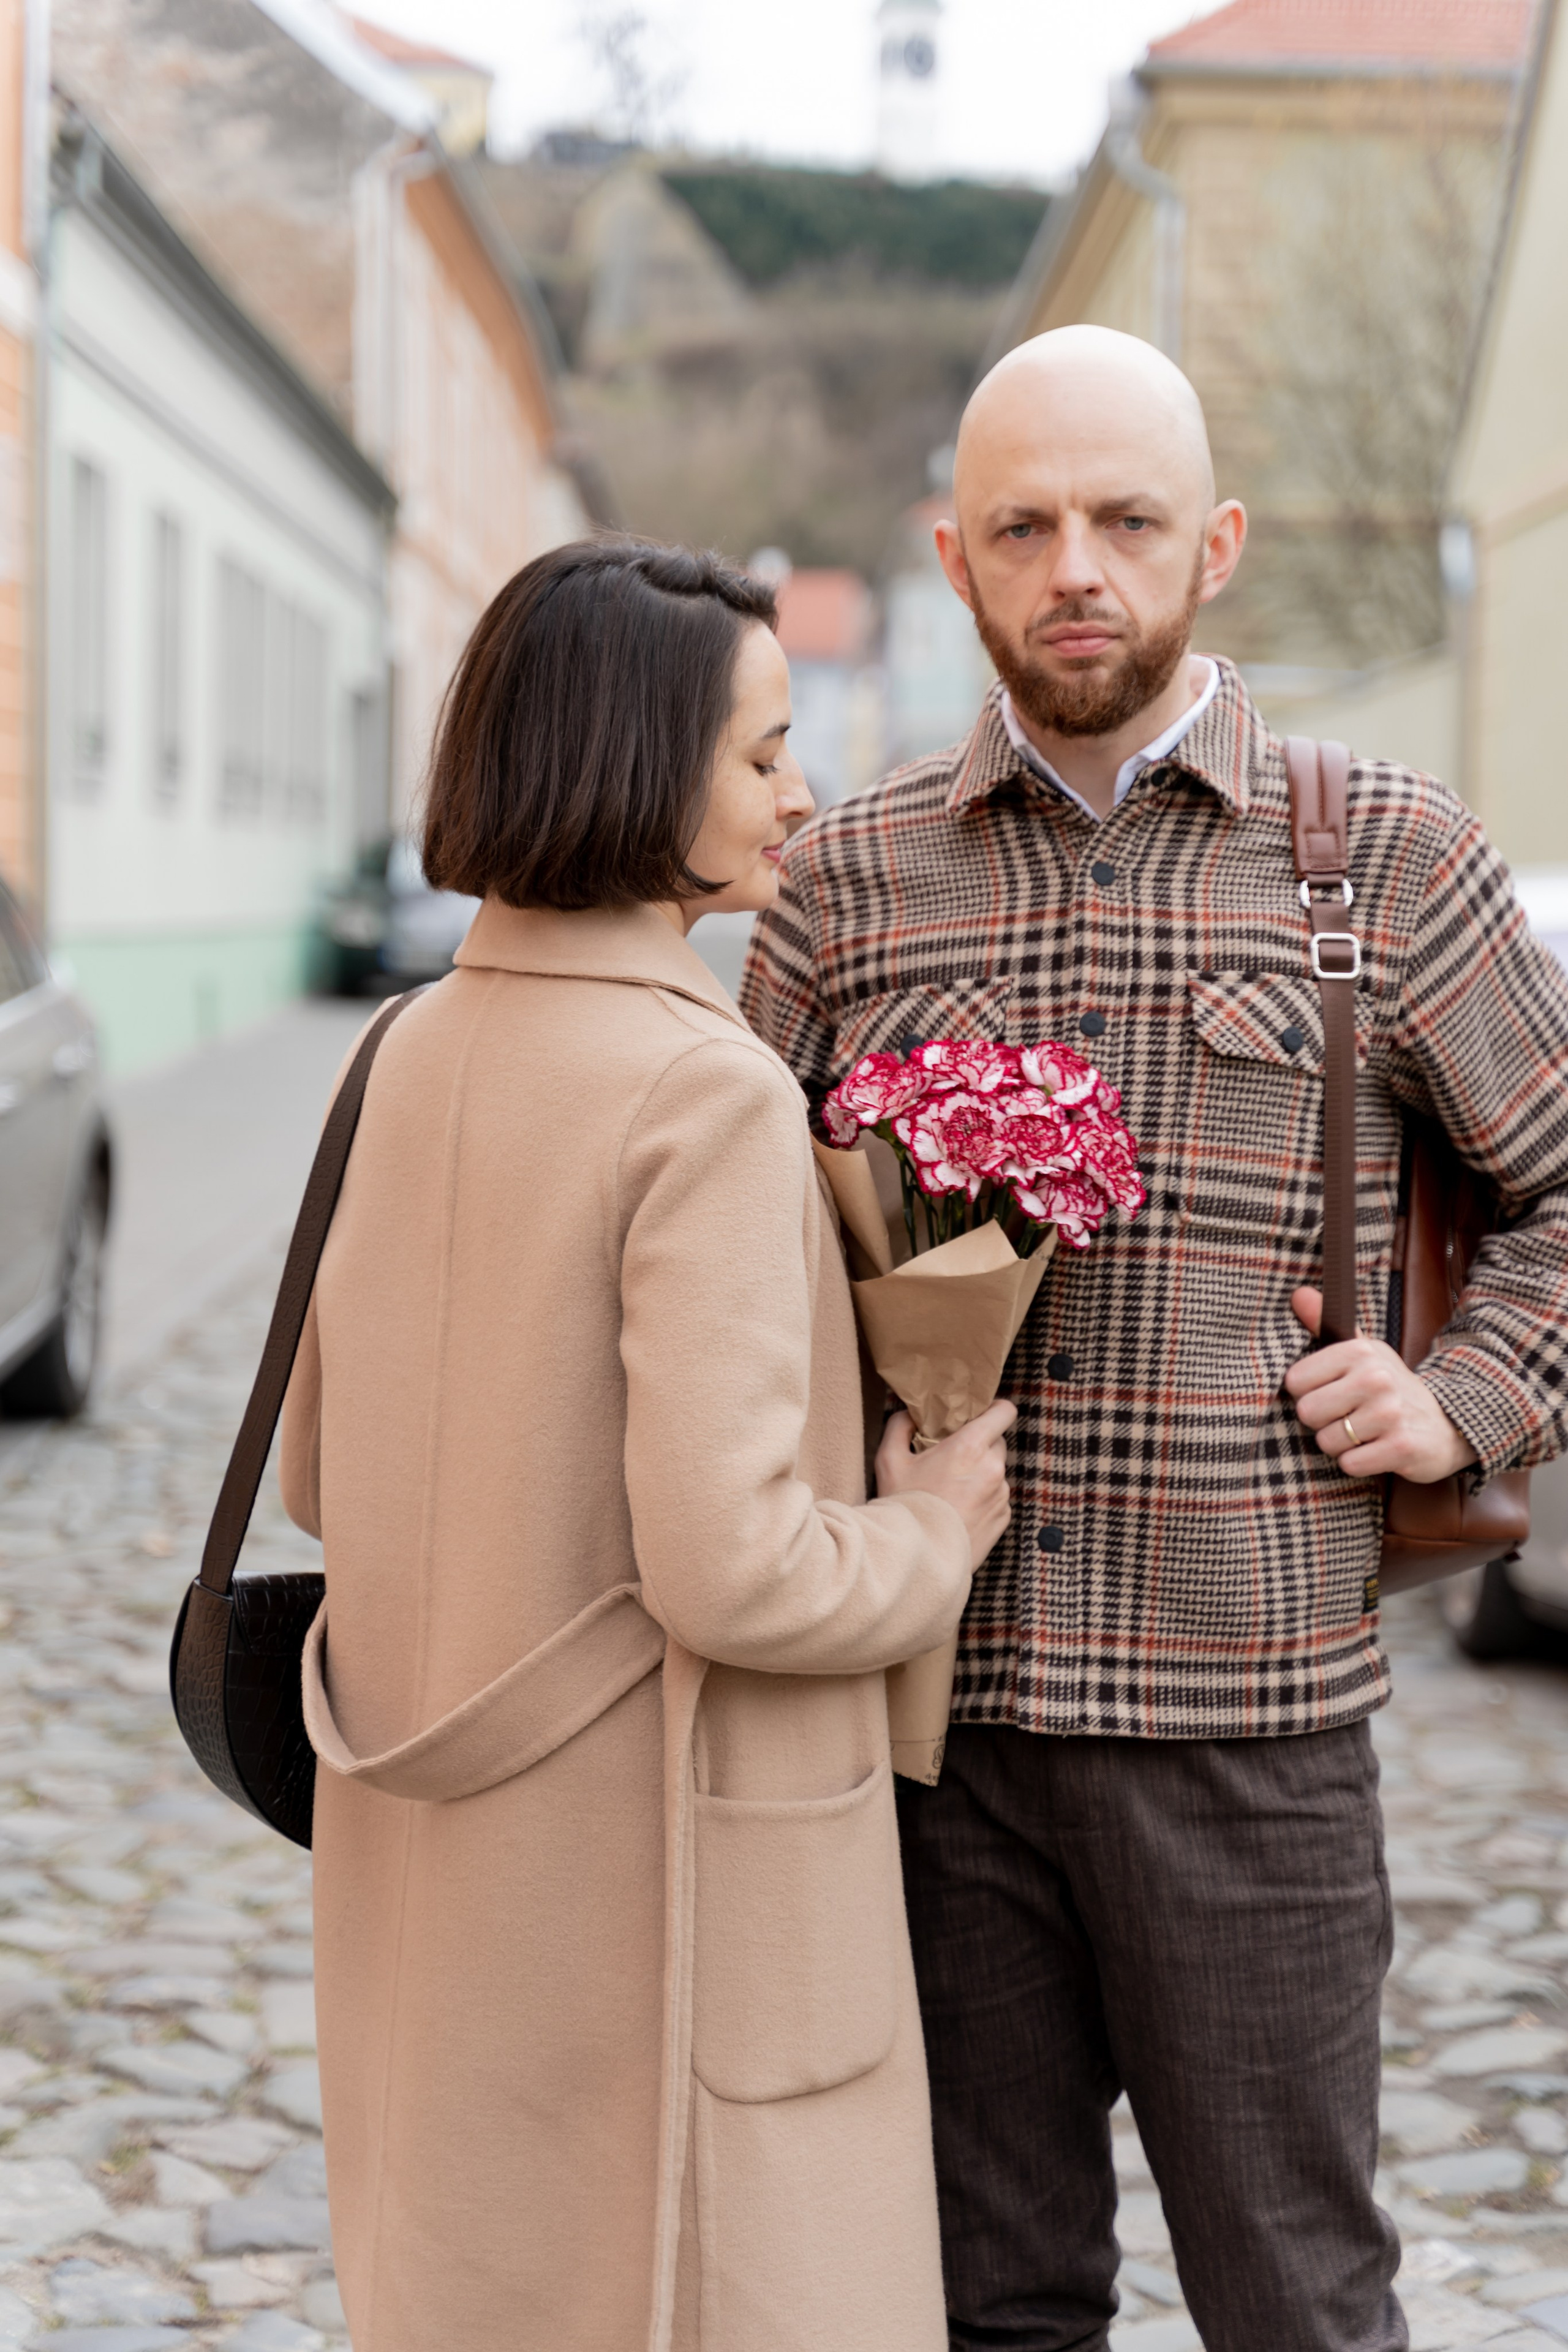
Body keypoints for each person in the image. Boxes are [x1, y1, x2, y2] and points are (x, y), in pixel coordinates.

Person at [741, 325, 1568, 2352]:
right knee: (982, 2303)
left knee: (1295, 2298)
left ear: (1217, 544)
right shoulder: (850, 882)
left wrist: (1458, 1398)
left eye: (1123, 521)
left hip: (1253, 1733)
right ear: (954, 556)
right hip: (933, 1736)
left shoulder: (1381, 856)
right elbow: (726, 1260)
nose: (1075, 569)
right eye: (1024, 527)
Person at [278, 537, 1016, 2352]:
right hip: (655, 1878)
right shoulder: (703, 1090)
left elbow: (316, 1473)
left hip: (432, 1855)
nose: (799, 791)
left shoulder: (395, 1047)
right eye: (762, 755)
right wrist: (933, 1530)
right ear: (628, 759)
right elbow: (734, 1564)